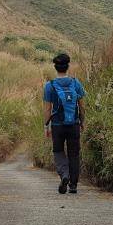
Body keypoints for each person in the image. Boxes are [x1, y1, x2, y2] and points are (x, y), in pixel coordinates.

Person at [43, 53, 85, 194]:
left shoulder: (50, 86)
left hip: (57, 125)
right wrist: (82, 121)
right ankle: (73, 185)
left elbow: (47, 108)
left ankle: (64, 175)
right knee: (74, 154)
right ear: (67, 67)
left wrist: (46, 126)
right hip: (73, 124)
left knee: (58, 151)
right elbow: (82, 105)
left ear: (55, 68)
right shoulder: (75, 83)